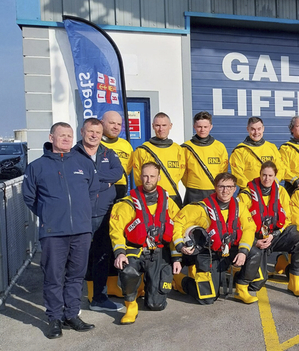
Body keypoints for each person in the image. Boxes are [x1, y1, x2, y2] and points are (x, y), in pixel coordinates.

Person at [23, 122, 98, 339]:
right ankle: (54, 318)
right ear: (51, 137)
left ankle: (71, 315)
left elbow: (92, 191)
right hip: (53, 232)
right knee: (54, 277)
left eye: (69, 135)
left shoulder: (83, 162)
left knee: (76, 275)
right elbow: (29, 197)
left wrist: (80, 213)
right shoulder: (37, 166)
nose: (66, 139)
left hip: (81, 231)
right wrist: (49, 214)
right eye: (61, 135)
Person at [171, 172, 262, 304]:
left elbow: (249, 228)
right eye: (221, 186)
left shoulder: (240, 207)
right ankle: (180, 281)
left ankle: (241, 289)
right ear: (215, 187)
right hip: (209, 253)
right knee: (207, 299)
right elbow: (178, 223)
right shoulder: (201, 208)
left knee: (254, 253)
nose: (225, 190)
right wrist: (180, 245)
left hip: (229, 249)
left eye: (229, 187)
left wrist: (243, 251)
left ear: (235, 189)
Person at [109, 162, 181, 324]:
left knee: (156, 305)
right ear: (140, 177)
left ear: (159, 178)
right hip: (135, 251)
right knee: (128, 270)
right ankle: (131, 304)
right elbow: (116, 229)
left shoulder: (169, 202)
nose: (148, 180)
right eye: (145, 176)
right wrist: (119, 252)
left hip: (159, 253)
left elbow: (177, 229)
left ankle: (148, 286)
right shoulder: (127, 203)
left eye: (152, 176)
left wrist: (177, 257)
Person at [73, 118, 124, 313]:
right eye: (90, 131)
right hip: (81, 214)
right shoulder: (72, 155)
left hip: (104, 214)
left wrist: (92, 179)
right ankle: (73, 302)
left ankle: (99, 299)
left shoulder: (108, 153)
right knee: (78, 258)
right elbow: (75, 181)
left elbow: (117, 173)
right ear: (82, 131)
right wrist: (103, 182)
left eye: (98, 132)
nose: (94, 135)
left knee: (102, 256)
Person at [243, 161, 299, 296]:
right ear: (259, 174)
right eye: (264, 175)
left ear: (275, 176)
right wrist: (255, 240)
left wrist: (275, 234)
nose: (266, 179)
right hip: (256, 238)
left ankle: (294, 283)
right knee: (256, 284)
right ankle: (237, 271)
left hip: (276, 235)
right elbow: (241, 220)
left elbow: (288, 216)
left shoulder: (281, 191)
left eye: (270, 175)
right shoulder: (247, 193)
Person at [132, 112, 185, 207]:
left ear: (170, 126)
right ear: (153, 126)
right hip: (150, 197)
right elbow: (138, 177)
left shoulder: (178, 149)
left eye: (164, 125)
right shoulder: (142, 150)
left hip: (173, 196)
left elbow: (181, 173)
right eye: (157, 125)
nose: (161, 129)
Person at [181, 111, 229, 206]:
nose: (202, 130)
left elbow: (223, 171)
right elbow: (182, 172)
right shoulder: (185, 147)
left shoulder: (219, 146)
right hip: (193, 193)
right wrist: (194, 184)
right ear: (194, 126)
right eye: (199, 127)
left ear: (211, 127)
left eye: (205, 127)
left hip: (214, 192)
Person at [230, 116, 286, 189]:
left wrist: (273, 183)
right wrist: (252, 188)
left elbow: (281, 168)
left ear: (263, 129)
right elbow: (237, 174)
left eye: (259, 129)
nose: (256, 132)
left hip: (270, 191)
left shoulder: (272, 147)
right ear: (248, 129)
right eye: (253, 129)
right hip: (250, 192)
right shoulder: (240, 150)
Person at [101, 111, 133, 199]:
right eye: (112, 123)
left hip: (121, 187)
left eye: (119, 124)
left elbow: (129, 167)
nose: (116, 127)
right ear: (102, 123)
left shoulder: (126, 145)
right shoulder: (95, 144)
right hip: (101, 187)